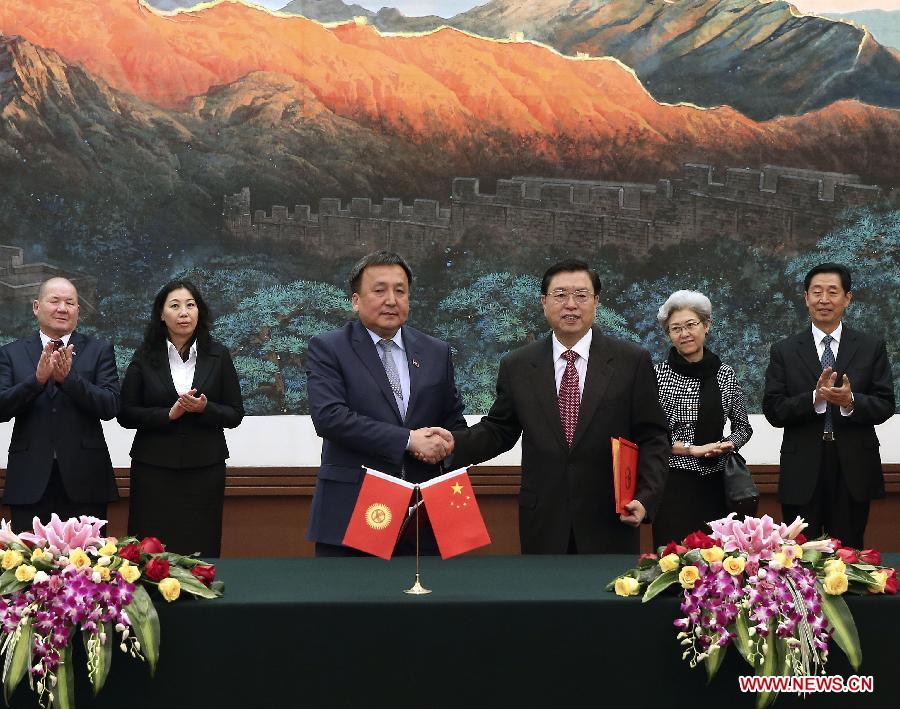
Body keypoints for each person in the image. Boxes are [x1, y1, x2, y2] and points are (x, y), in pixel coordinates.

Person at [448, 259, 669, 554]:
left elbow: (653, 437)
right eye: (561, 295)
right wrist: (452, 444)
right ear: (544, 302)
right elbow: (500, 430)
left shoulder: (631, 361)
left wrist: (645, 496)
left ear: (596, 301)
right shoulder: (518, 365)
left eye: (581, 295)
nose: (571, 305)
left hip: (612, 519)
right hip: (543, 519)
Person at [306, 251, 467, 557]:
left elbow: (454, 419)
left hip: (426, 514)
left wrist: (448, 442)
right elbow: (330, 417)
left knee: (432, 602)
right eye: (379, 290)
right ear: (356, 300)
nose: (391, 300)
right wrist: (408, 440)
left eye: (400, 290)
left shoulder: (436, 351)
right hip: (354, 510)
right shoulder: (328, 348)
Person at [763, 263, 894, 549]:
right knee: (798, 557)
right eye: (817, 292)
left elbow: (885, 404)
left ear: (848, 298)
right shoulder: (784, 350)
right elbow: (773, 410)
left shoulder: (871, 347)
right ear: (806, 297)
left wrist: (850, 401)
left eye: (833, 292)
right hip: (802, 466)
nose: (824, 299)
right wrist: (814, 398)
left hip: (853, 468)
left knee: (847, 556)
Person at [118, 280, 244, 557]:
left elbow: (235, 413)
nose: (183, 312)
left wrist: (205, 409)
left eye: (190, 305)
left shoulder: (218, 355)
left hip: (204, 466)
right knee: (150, 548)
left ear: (199, 312)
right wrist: (167, 414)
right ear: (162, 314)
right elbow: (125, 413)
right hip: (153, 466)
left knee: (200, 542)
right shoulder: (145, 355)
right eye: (174, 306)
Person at [0, 277, 119, 531]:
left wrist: (69, 380)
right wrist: (36, 381)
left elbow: (110, 406)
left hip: (85, 479)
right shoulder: (12, 353)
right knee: (29, 566)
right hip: (29, 478)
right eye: (54, 301)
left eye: (70, 302)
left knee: (89, 567)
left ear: (78, 310)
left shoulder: (99, 350)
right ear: (36, 306)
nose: (62, 308)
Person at [651, 290, 753, 549]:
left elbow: (743, 427)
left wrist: (729, 443)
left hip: (718, 486)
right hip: (673, 484)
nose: (684, 334)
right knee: (673, 561)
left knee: (717, 567)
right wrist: (691, 450)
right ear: (669, 334)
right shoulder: (657, 376)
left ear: (706, 326)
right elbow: (652, 436)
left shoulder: (725, 374)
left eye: (690, 325)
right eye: (675, 328)